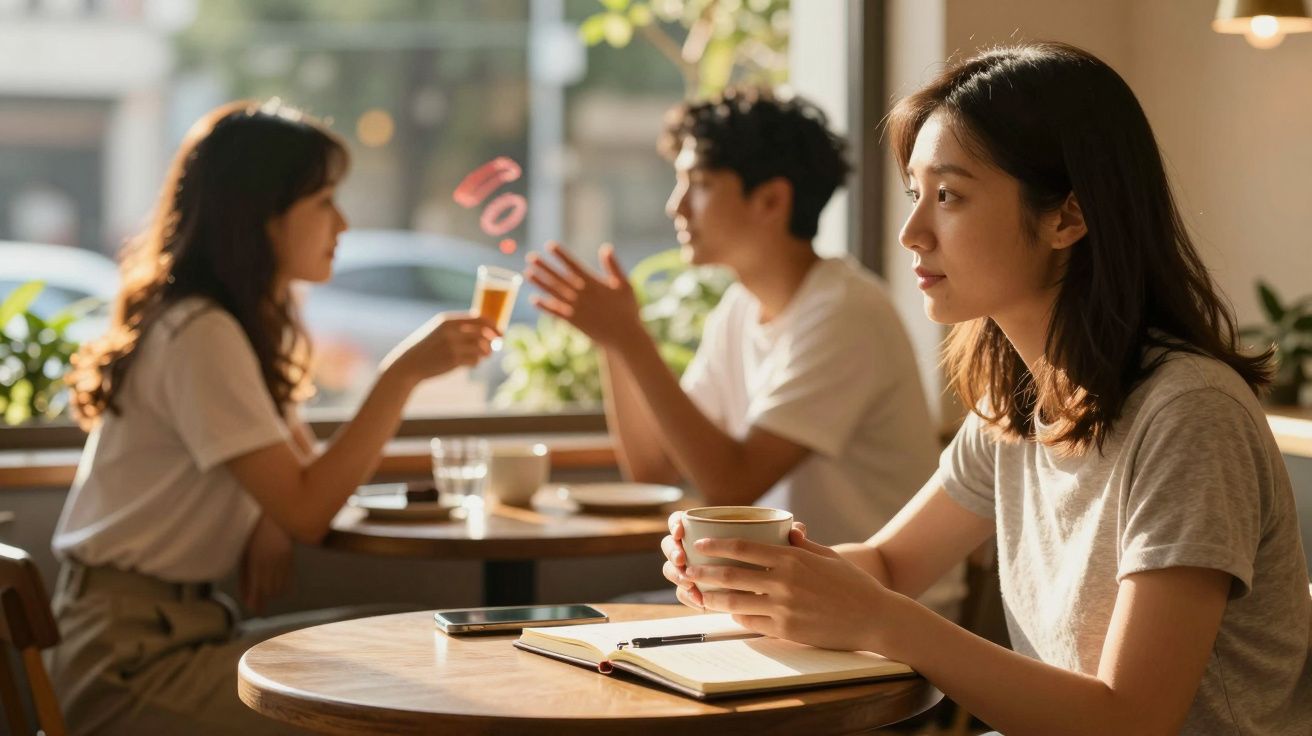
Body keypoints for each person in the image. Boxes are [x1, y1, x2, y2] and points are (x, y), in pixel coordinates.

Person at [660, 42, 1312, 735]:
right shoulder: (1018, 405)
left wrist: (883, 619)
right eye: (916, 194)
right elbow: (888, 561)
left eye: (949, 196)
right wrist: (760, 574)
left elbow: (1133, 720)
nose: (913, 232)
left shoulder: (1189, 414)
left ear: (1067, 216)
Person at [50, 100, 498, 735]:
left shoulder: (234, 325)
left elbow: (290, 484)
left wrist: (267, 512)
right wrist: (400, 375)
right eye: (323, 201)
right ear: (260, 218)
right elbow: (308, 508)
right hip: (131, 669)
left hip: (174, 632)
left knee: (418, 634)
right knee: (421, 669)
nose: (342, 223)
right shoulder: (200, 332)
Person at [526, 90, 960, 611]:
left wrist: (631, 340)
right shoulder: (739, 307)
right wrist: (613, 342)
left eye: (701, 184)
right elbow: (653, 469)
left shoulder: (845, 311)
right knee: (584, 630)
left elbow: (731, 483)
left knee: (594, 628)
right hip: (783, 598)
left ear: (772, 200)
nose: (676, 205)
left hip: (888, 608)